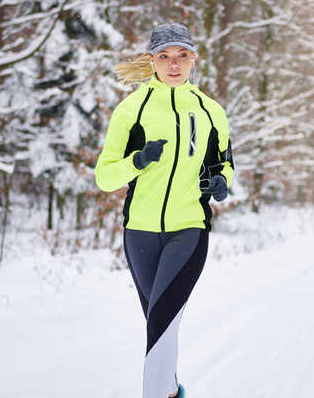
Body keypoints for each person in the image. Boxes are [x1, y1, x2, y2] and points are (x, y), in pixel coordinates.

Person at [95, 22, 234, 398]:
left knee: (161, 320)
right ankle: (171, 390)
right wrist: (137, 161)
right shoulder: (131, 110)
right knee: (158, 324)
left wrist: (221, 182)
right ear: (152, 61)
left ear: (193, 59)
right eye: (165, 56)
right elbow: (104, 177)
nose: (174, 64)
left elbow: (224, 163)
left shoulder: (211, 112)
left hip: (188, 229)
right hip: (139, 232)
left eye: (182, 55)